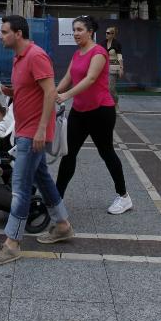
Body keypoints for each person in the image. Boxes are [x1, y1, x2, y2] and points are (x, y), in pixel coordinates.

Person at [0, 15, 73, 266]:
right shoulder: (19, 58)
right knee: (41, 177)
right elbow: (28, 89)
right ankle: (63, 225)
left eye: (4, 32)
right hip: (24, 129)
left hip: (33, 132)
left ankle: (12, 244)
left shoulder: (36, 56)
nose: (1, 36)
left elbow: (50, 93)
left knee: (20, 188)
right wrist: (7, 91)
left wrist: (42, 130)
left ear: (18, 34)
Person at [55, 15, 132, 215]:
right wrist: (54, 93)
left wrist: (65, 96)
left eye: (79, 29)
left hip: (101, 111)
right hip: (79, 112)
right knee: (68, 154)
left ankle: (124, 197)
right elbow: (68, 77)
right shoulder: (77, 53)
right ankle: (56, 198)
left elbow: (90, 79)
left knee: (106, 152)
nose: (75, 33)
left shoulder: (99, 52)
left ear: (90, 32)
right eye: (74, 30)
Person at [104, 26, 124, 105]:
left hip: (114, 68)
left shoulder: (117, 44)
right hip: (104, 68)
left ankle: (115, 103)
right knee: (103, 88)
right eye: (106, 32)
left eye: (108, 33)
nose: (106, 34)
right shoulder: (103, 43)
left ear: (113, 34)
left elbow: (119, 57)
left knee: (110, 88)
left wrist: (121, 68)